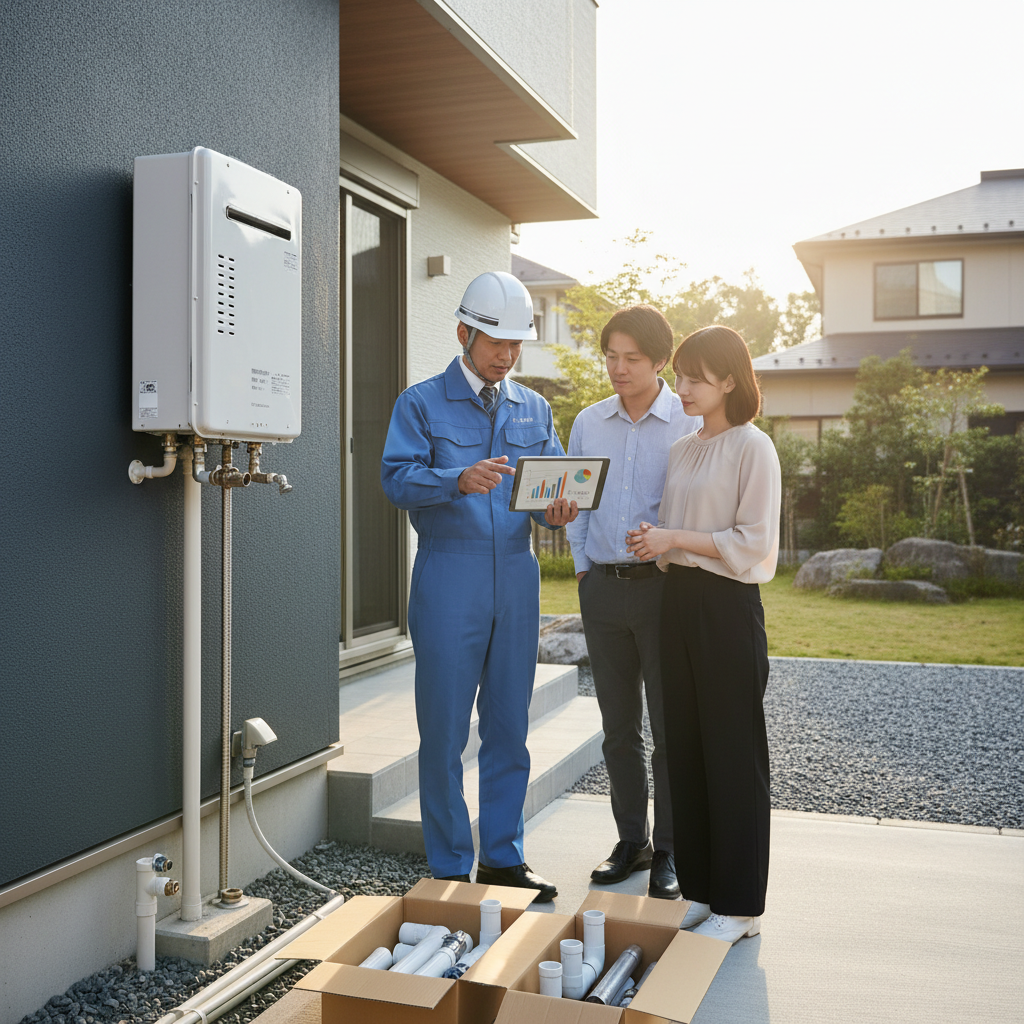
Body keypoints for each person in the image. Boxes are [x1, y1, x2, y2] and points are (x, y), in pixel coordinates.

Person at [381, 271, 578, 901]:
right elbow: (395, 480)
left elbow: (547, 487)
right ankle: (447, 865)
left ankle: (502, 856)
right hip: (448, 572)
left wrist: (558, 509)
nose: (507, 354)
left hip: (517, 577)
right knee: (443, 730)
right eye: (497, 341)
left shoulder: (534, 407)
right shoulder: (420, 403)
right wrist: (454, 479)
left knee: (509, 725)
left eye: (517, 344)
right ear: (464, 331)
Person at [626, 324, 781, 943]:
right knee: (685, 748)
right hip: (679, 600)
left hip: (727, 607)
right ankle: (703, 890)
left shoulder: (754, 447)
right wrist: (656, 543)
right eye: (681, 376)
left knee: (732, 754)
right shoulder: (684, 448)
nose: (682, 387)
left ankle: (741, 906)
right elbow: (679, 533)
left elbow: (753, 546)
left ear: (730, 380)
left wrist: (673, 541)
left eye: (694, 377)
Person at [564, 305, 701, 899]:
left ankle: (670, 848)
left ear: (661, 362)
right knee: (617, 729)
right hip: (601, 590)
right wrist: (581, 567)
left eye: (632, 359)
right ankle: (632, 842)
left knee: (670, 728)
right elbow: (575, 500)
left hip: (664, 592)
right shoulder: (589, 423)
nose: (618, 369)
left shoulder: (689, 426)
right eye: (611, 357)